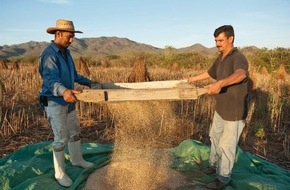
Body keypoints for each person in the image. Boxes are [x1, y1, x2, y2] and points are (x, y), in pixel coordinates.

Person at [38, 19, 101, 187]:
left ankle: (77, 160)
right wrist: (63, 91)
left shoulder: (66, 52)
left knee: (75, 131)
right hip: (55, 101)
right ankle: (60, 173)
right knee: (61, 137)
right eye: (69, 36)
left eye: (73, 36)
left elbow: (74, 74)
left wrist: (89, 82)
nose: (71, 40)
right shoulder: (49, 55)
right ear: (58, 34)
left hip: (69, 99)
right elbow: (50, 80)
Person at [187, 25, 249, 189]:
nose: (217, 44)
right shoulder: (221, 57)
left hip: (234, 112)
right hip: (221, 109)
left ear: (231, 39)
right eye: (215, 40)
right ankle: (214, 165)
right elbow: (210, 73)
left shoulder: (238, 57)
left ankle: (223, 179)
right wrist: (192, 80)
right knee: (214, 136)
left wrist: (221, 83)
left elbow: (241, 74)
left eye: (221, 40)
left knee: (226, 146)